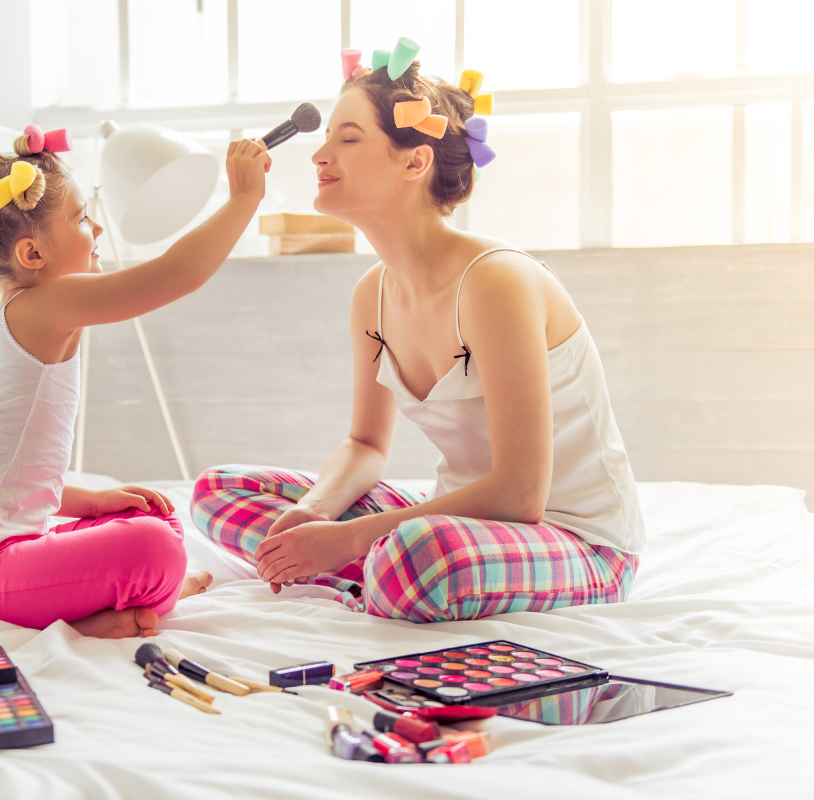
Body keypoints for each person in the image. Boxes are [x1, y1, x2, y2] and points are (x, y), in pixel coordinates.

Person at [191, 43, 645, 624]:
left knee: (414, 556)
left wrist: (348, 539)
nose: (320, 155)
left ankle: (384, 571)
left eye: (348, 138)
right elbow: (366, 445)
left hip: (576, 541)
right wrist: (316, 513)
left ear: (415, 162)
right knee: (218, 491)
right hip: (460, 524)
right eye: (326, 137)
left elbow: (521, 494)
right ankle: (382, 573)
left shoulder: (496, 282)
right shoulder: (372, 296)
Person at [0, 128, 271, 638]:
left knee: (157, 517)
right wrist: (244, 198)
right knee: (154, 547)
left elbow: (14, 477)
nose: (99, 227)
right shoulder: (44, 306)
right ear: (33, 255)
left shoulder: (36, 312)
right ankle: (108, 616)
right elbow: (176, 274)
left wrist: (91, 502)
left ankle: (124, 604)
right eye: (82, 218)